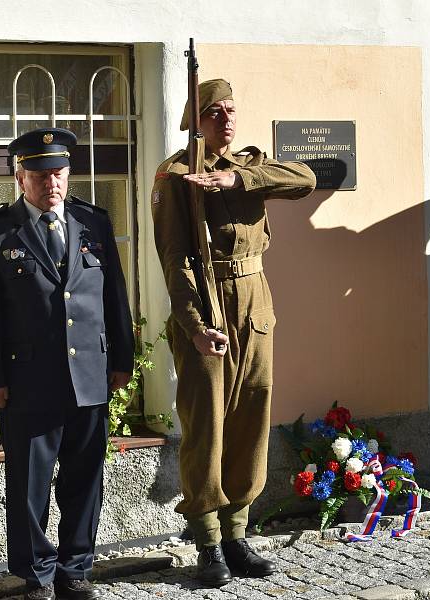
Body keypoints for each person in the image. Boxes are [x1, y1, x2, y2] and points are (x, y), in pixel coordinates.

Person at [151, 79, 316, 587]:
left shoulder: (252, 165)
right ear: (195, 121)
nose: (226, 119)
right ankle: (207, 539)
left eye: (230, 110)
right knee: (208, 425)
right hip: (209, 302)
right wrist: (196, 327)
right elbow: (174, 261)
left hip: (255, 302)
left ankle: (237, 531)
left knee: (252, 415)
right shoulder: (176, 175)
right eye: (214, 112)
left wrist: (236, 181)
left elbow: (306, 177)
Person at [0, 127, 134, 600]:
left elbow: (114, 297)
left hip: (89, 377)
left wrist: (120, 358)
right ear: (21, 178)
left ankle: (75, 568)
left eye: (58, 172)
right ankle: (36, 574)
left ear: (68, 173)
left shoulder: (93, 223)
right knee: (29, 485)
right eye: (39, 175)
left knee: (85, 477)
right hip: (27, 381)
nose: (51, 183)